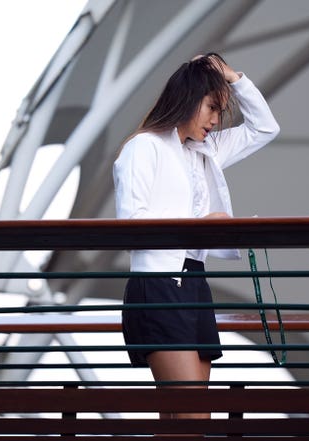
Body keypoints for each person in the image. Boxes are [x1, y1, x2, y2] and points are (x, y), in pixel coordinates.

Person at [113, 53, 279, 420]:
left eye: (220, 111)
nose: (216, 120)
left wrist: (230, 75)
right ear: (188, 98)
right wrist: (200, 222)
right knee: (193, 416)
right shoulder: (144, 147)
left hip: (194, 283)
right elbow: (131, 223)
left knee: (183, 420)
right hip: (157, 284)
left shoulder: (206, 149)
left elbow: (265, 128)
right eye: (211, 107)